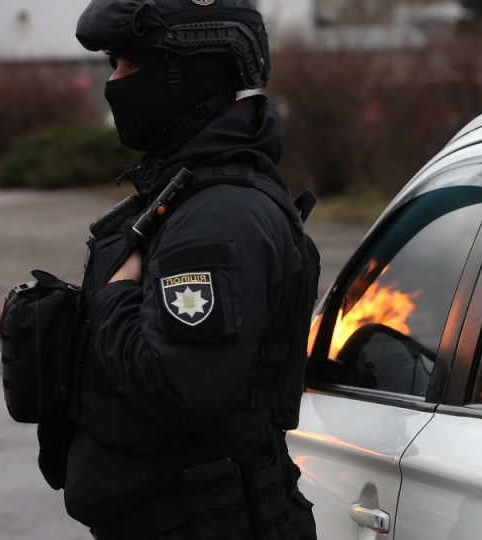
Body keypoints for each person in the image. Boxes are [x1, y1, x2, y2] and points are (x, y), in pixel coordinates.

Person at [36, 1, 320, 538]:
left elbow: (177, 386)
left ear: (186, 75)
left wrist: (116, 295)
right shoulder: (184, 196)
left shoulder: (216, 218)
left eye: (128, 65)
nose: (113, 83)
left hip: (209, 523)